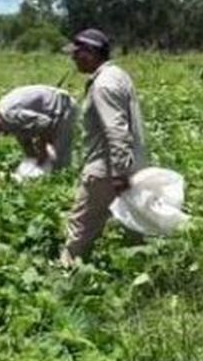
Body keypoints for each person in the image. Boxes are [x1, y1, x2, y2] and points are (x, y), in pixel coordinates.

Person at [59, 28, 147, 264]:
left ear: (90, 52)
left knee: (80, 229)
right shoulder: (118, 75)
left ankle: (65, 281)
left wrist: (118, 174)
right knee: (132, 224)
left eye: (77, 53)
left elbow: (116, 131)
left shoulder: (103, 85)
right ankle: (142, 273)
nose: (73, 58)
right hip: (126, 165)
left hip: (106, 170)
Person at [0, 85, 77, 173]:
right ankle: (51, 173)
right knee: (49, 155)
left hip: (62, 107)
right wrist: (31, 157)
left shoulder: (9, 114)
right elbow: (23, 135)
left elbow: (44, 123)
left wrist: (42, 149)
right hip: (50, 112)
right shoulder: (3, 117)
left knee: (60, 157)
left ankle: (64, 179)